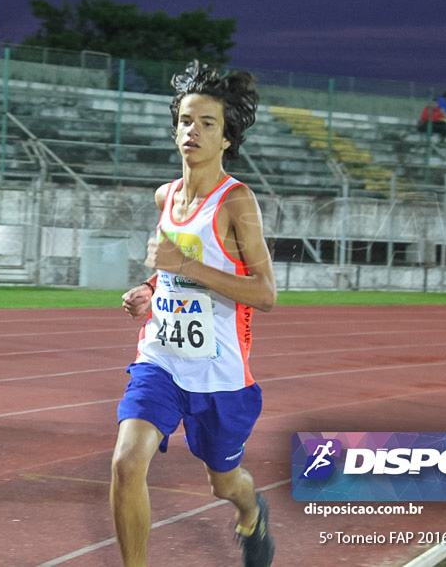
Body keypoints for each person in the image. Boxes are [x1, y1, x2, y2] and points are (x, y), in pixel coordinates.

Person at [112, 61, 277, 567]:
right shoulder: (165, 196)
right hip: (160, 358)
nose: (193, 131)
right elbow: (167, 273)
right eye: (186, 120)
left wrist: (185, 265)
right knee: (126, 462)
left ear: (227, 139)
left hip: (220, 374)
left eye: (208, 123)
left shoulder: (237, 202)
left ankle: (251, 513)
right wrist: (147, 289)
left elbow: (265, 293)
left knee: (223, 483)